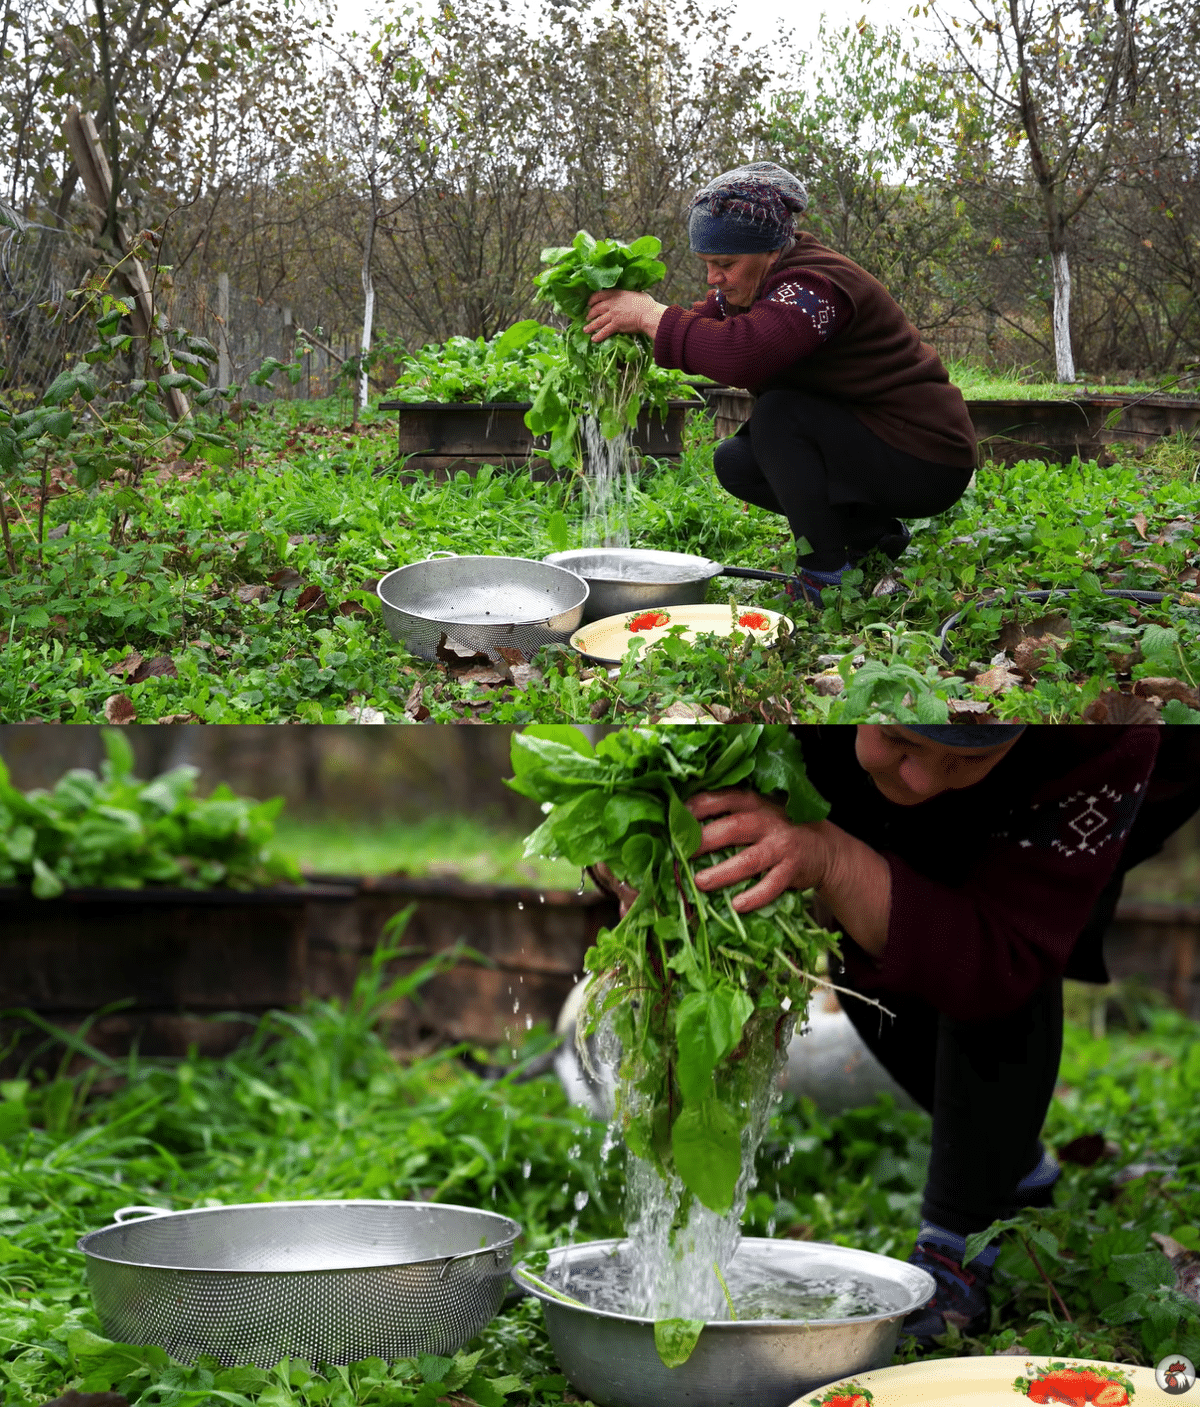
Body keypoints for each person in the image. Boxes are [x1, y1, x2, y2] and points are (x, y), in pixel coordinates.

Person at [679, 723, 1200, 1348]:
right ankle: (1010, 1164)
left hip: (1073, 788)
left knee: (973, 934)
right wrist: (640, 854)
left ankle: (959, 1242)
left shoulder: (1105, 732)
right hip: (837, 746)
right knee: (872, 929)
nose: (919, 776)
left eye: (964, 757)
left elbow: (1008, 954)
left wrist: (837, 860)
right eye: (898, 739)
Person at [582, 162, 977, 606]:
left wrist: (650, 315)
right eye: (707, 264)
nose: (713, 278)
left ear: (770, 251)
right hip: (873, 443)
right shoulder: (757, 285)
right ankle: (872, 536)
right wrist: (628, 331)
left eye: (725, 264)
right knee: (737, 461)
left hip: (925, 458)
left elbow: (743, 354)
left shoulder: (813, 288)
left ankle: (824, 576)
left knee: (778, 414)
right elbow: (703, 330)